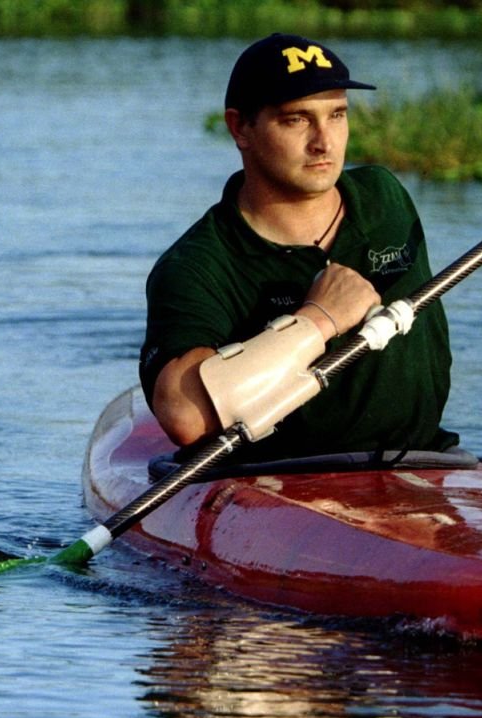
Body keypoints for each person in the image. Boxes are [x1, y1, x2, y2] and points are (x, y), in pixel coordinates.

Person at [139, 33, 458, 462]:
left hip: (424, 465)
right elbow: (183, 415)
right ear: (240, 128)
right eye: (297, 120)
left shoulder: (384, 198)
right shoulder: (197, 265)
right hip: (281, 485)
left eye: (337, 115)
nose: (324, 142)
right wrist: (317, 320)